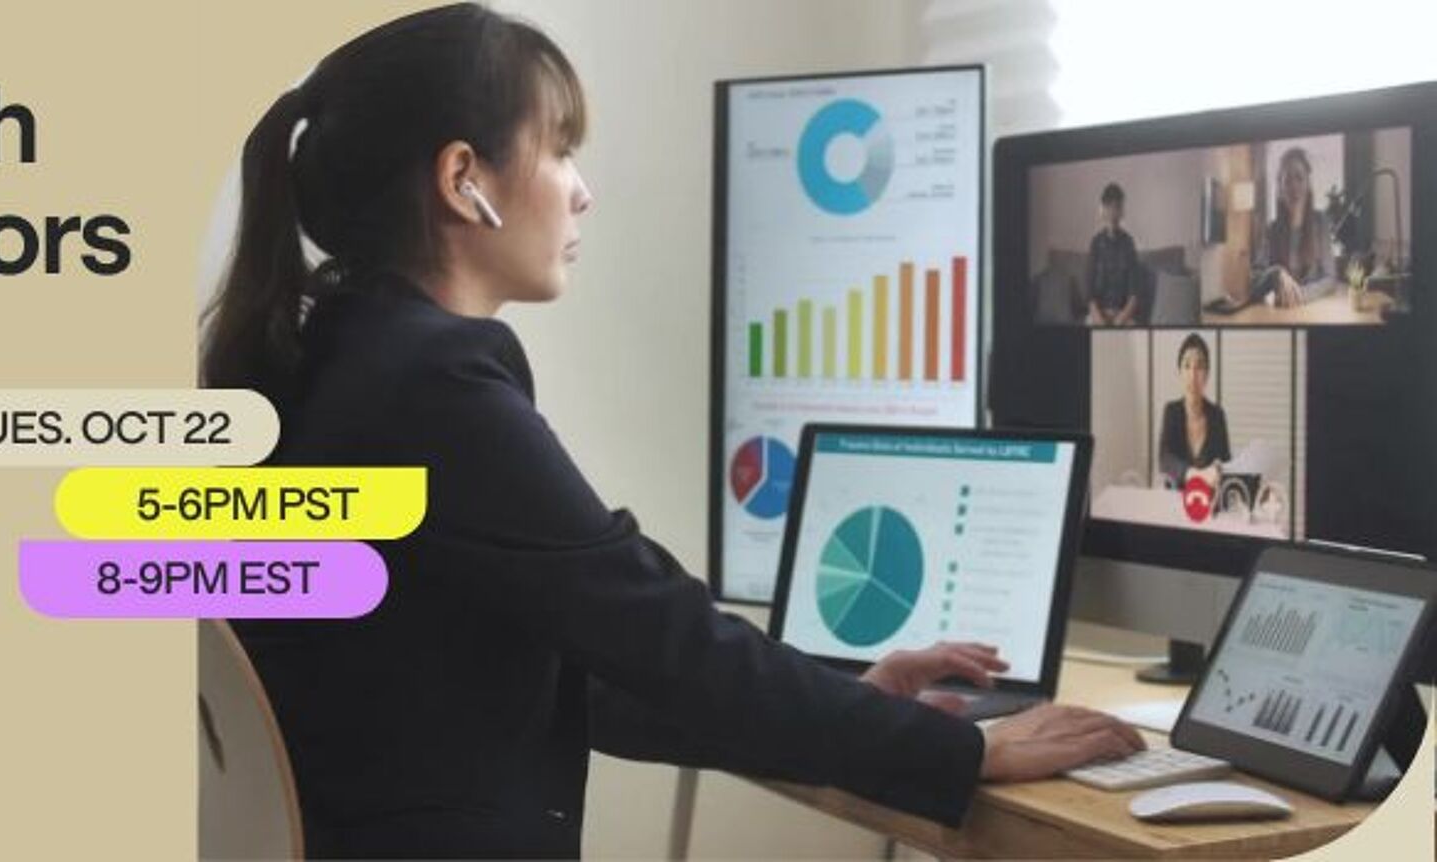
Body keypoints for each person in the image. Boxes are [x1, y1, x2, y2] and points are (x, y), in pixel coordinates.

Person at [202, 5, 1143, 857]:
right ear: (464, 181)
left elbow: (576, 666)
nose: (582, 191)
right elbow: (655, 627)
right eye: (560, 149)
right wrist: (961, 749)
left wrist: (857, 704)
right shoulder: (431, 384)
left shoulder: (337, 354)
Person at [1253, 147, 1337, 307]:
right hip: (1280, 314)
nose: (1294, 186)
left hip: (1313, 311)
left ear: (1308, 183)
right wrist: (1275, 273)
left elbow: (1330, 278)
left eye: (1299, 178)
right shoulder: (1272, 229)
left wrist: (1299, 295)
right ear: (1280, 188)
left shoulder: (1321, 222)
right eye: (1287, 180)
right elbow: (1255, 279)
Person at [1158, 333, 1232, 488]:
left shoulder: (1217, 415)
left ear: (1207, 373)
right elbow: (1164, 459)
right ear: (1180, 372)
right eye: (1187, 366)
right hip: (1174, 501)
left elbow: (1226, 463)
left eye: (1199, 366)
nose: (1193, 375)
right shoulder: (1172, 411)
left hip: (1208, 501)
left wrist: (1218, 469)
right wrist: (1195, 474)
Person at [1086, 182, 1140, 325]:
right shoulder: (1095, 243)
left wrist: (1120, 319)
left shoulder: (1129, 243)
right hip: (1098, 314)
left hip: (1123, 315)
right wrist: (1099, 319)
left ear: (1122, 211)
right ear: (1103, 210)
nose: (1113, 212)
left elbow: (1134, 295)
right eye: (1109, 207)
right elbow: (1090, 292)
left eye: (1117, 207)